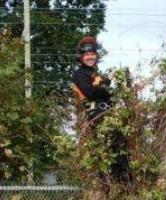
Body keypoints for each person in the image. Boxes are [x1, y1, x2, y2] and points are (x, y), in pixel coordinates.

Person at [72, 35, 130, 185]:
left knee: (120, 144)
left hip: (106, 112)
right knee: (110, 146)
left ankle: (122, 180)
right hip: (96, 114)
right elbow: (91, 93)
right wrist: (104, 84)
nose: (90, 57)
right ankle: (117, 180)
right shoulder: (80, 74)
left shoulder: (94, 73)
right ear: (81, 57)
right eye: (87, 55)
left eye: (92, 54)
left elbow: (106, 91)